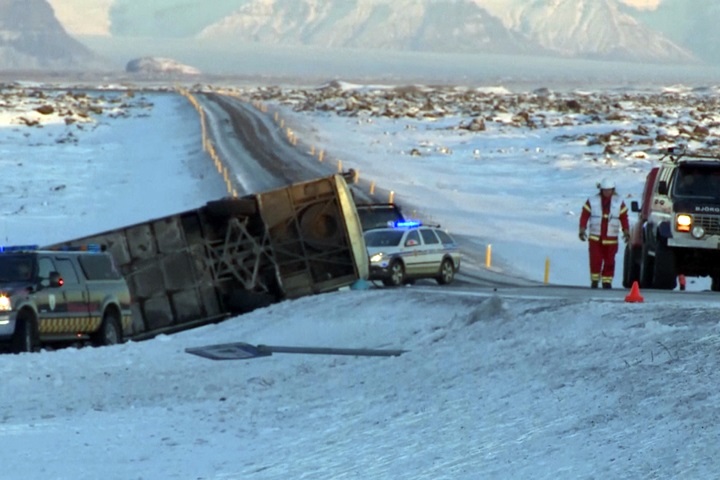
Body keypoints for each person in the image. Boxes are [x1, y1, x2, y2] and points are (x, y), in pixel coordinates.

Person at [578, 178, 630, 289]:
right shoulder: (592, 201)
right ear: (601, 190)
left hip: (611, 238)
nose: (607, 192)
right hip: (595, 238)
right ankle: (595, 281)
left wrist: (626, 231)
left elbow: (624, 217)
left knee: (610, 261)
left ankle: (607, 281)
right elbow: (585, 215)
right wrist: (582, 229)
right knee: (595, 260)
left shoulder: (619, 202)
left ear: (613, 190)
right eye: (605, 190)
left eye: (609, 190)